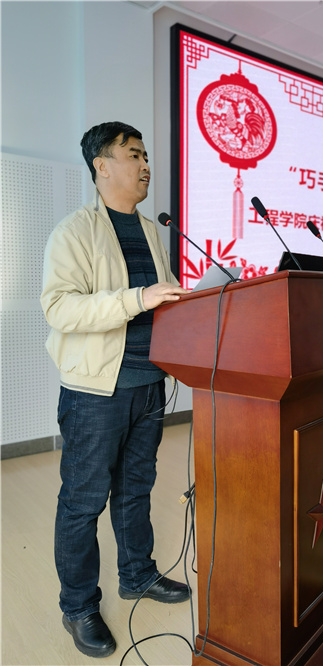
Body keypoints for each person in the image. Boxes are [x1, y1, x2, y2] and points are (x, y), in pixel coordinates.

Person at [40, 121, 190, 659]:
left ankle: (137, 575)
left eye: (146, 155)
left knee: (135, 490)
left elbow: (158, 305)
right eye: (134, 155)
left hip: (148, 385)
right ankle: (79, 606)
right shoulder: (74, 231)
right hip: (94, 393)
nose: (146, 165)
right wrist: (138, 297)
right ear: (101, 165)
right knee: (83, 502)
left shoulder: (152, 230)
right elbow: (60, 307)